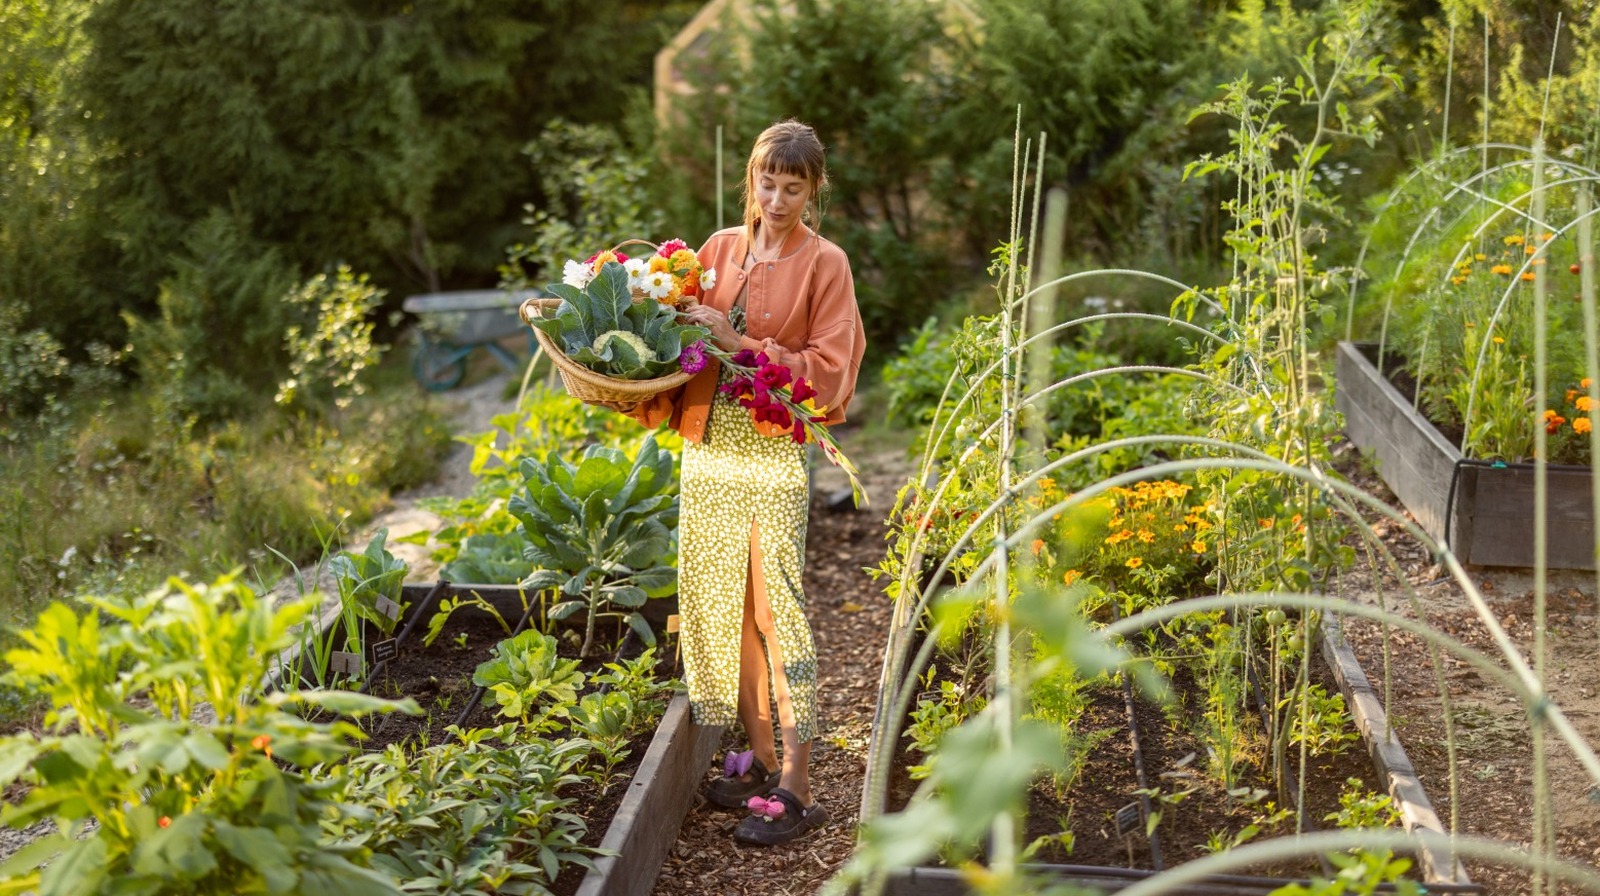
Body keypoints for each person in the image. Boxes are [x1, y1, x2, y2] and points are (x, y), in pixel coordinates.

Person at [605, 120, 865, 845]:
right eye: (766, 182)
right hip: (709, 448)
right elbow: (680, 347)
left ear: (814, 190)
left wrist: (737, 339)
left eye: (792, 186)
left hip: (773, 448)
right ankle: (754, 761)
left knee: (778, 606)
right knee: (727, 606)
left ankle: (799, 784)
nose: (776, 198)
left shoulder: (826, 263)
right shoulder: (715, 251)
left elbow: (829, 369)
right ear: (751, 179)